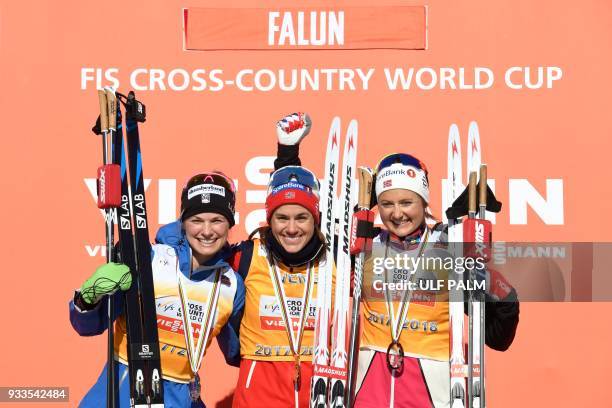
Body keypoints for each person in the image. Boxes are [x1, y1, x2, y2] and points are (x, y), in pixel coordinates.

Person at [352, 153, 520, 407]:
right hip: (370, 393)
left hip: (432, 393)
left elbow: (497, 336)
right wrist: (288, 155)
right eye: (387, 204)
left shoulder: (446, 250)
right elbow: (296, 237)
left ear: (423, 202)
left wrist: (504, 296)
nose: (397, 213)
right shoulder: (366, 247)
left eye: (406, 202)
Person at [69, 172, 245, 407]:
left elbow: (241, 352)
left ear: (230, 223)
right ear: (183, 221)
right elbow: (89, 325)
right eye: (197, 220)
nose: (207, 231)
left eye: (217, 220)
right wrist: (88, 299)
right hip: (123, 392)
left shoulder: (231, 284)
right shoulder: (148, 259)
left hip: (181, 397)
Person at [228, 113, 332, 408]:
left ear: (316, 220)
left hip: (323, 388)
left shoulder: (335, 261)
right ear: (268, 220)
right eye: (281, 218)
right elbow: (195, 247)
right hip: (258, 392)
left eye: (302, 218)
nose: (291, 228)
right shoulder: (247, 257)